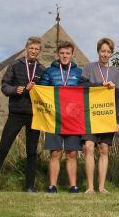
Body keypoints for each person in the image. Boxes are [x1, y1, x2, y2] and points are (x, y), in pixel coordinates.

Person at [0, 37, 45, 193]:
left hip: (34, 115)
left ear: (39, 51)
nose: (34, 51)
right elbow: (4, 86)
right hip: (16, 113)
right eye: (31, 48)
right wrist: (15, 90)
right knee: (3, 148)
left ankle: (29, 186)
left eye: (36, 49)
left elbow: (48, 90)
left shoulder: (42, 69)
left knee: (32, 151)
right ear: (26, 48)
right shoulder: (14, 65)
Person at [40, 41, 83, 193]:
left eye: (68, 53)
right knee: (55, 152)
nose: (65, 56)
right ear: (58, 54)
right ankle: (52, 185)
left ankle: (73, 186)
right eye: (62, 53)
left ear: (72, 55)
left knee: (72, 153)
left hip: (73, 119)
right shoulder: (49, 71)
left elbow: (86, 92)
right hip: (54, 118)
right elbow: (42, 90)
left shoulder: (79, 72)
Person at [81, 38, 119, 194]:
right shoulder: (89, 67)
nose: (105, 54)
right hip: (90, 115)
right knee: (89, 147)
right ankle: (90, 187)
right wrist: (100, 85)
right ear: (98, 51)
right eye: (102, 51)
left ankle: (102, 187)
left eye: (108, 52)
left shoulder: (116, 72)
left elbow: (118, 98)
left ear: (111, 53)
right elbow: (81, 86)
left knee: (104, 149)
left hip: (107, 116)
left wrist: (117, 121)